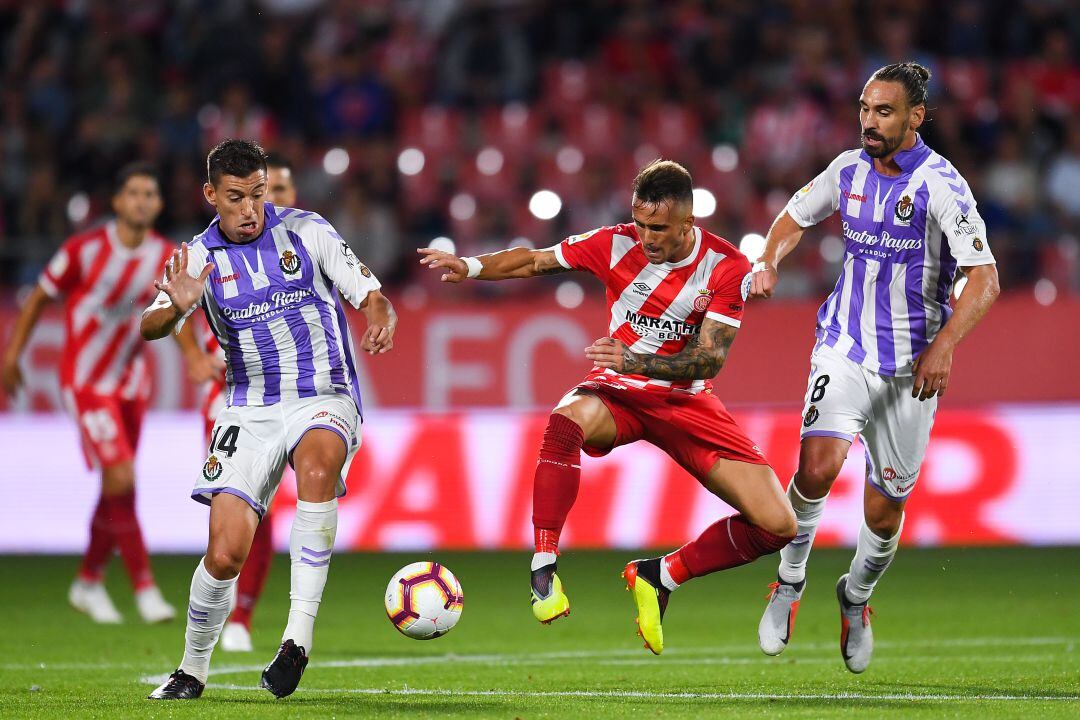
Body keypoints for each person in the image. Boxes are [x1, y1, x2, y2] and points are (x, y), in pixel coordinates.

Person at [419, 159, 796, 655]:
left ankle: (662, 575)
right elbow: (535, 260)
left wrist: (635, 355)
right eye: (639, 223)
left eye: (658, 228)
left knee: (778, 526)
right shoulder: (614, 243)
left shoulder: (726, 268)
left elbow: (710, 358)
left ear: (688, 223)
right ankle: (544, 564)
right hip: (618, 393)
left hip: (685, 401)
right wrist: (469, 266)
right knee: (565, 420)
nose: (645, 237)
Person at [749, 63, 1000, 673]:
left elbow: (985, 277)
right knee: (817, 466)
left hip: (913, 366)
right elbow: (792, 217)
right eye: (864, 108)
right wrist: (769, 260)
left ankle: (856, 597)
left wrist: (943, 348)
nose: (868, 121)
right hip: (844, 345)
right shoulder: (847, 169)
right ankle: (788, 581)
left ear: (916, 117)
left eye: (883, 112)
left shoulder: (943, 185)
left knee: (884, 511)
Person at [142, 139, 396, 700]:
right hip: (249, 406)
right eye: (235, 198)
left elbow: (372, 294)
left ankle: (296, 639)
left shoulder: (308, 231)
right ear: (211, 195)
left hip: (323, 394)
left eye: (258, 194)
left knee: (318, 467)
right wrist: (174, 306)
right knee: (226, 552)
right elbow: (151, 324)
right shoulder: (195, 259)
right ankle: (191, 669)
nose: (250, 208)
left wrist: (381, 318)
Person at [2, 163, 177, 625]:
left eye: (150, 193)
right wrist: (11, 356)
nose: (142, 200)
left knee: (115, 484)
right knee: (120, 479)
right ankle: (144, 587)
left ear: (158, 205)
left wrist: (198, 356)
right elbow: (38, 297)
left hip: (132, 384)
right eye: (133, 192)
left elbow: (177, 312)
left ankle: (88, 581)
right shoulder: (84, 250)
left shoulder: (165, 257)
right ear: (117, 202)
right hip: (85, 382)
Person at [173, 152, 298, 653]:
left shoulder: (304, 247)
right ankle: (227, 602)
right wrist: (191, 355)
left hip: (296, 396)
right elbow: (168, 308)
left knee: (269, 506)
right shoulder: (207, 253)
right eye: (239, 196)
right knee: (241, 503)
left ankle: (242, 612)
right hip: (232, 394)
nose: (259, 205)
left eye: (272, 193)